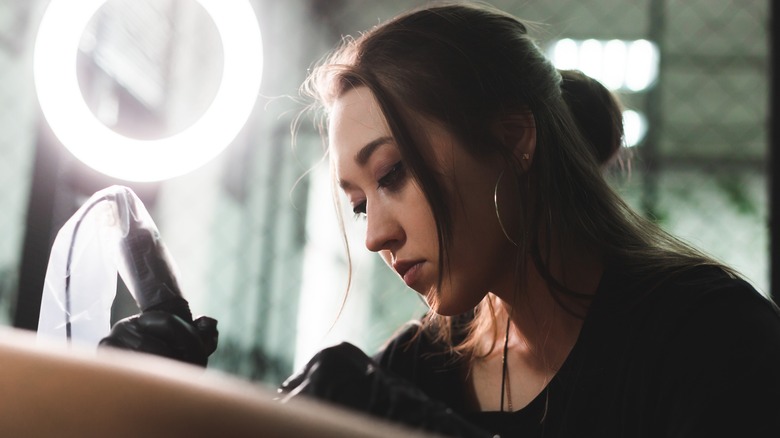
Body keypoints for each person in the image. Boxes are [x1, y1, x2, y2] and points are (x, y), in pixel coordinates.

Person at [101, 2, 780, 437]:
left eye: (393, 174)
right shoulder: (418, 368)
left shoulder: (710, 340)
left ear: (515, 139)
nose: (374, 236)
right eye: (359, 201)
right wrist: (173, 406)